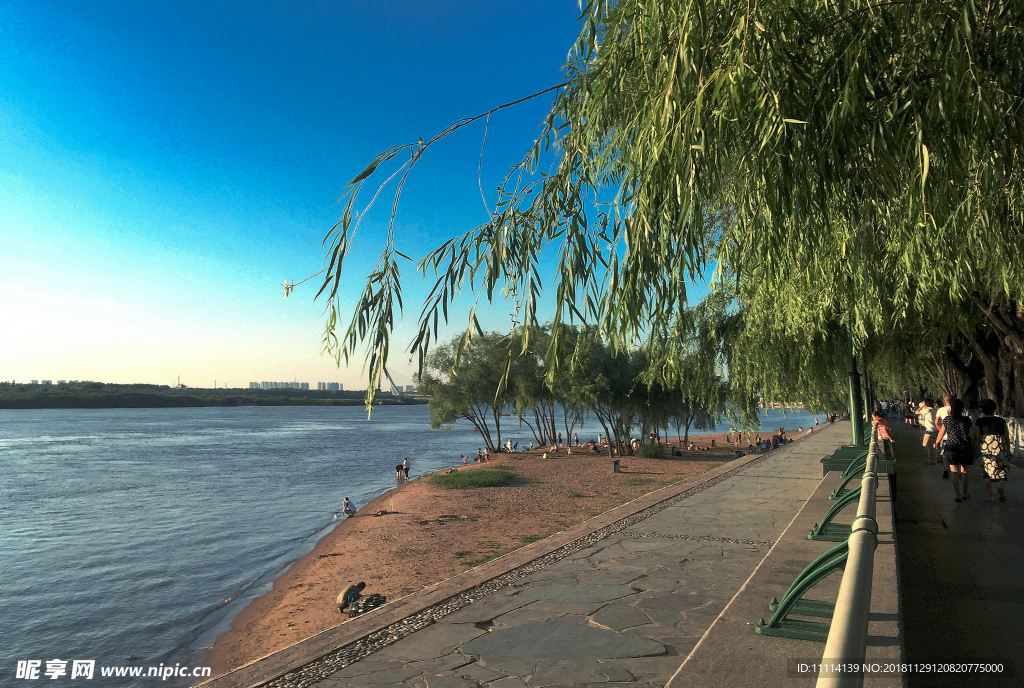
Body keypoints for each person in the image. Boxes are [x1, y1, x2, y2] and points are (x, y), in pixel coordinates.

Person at [935, 398, 973, 502]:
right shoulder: (967, 420)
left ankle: (958, 495)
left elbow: (942, 433)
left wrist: (937, 442)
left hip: (951, 447)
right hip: (965, 447)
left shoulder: (947, 419)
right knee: (965, 470)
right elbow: (972, 434)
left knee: (954, 471)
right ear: (962, 409)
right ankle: (965, 493)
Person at [972, 399, 1010, 502]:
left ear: (982, 410)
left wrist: (975, 449)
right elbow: (1006, 436)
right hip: (1001, 448)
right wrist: (1009, 450)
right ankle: (1001, 487)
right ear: (994, 409)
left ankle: (990, 495)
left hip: (986, 448)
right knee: (1002, 471)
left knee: (986, 472)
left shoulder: (979, 421)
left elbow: (977, 436)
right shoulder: (1001, 421)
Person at [935, 395, 953, 478]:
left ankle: (946, 469)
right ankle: (959, 472)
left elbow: (936, 422)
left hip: (945, 435)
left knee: (945, 454)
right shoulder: (957, 409)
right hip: (957, 435)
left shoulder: (941, 410)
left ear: (945, 401)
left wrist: (940, 429)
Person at [916, 399, 939, 464]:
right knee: (935, 445)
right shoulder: (935, 410)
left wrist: (922, 406)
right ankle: (935, 459)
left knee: (925, 444)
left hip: (929, 429)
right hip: (936, 429)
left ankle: (928, 459)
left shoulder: (927, 410)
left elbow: (917, 412)